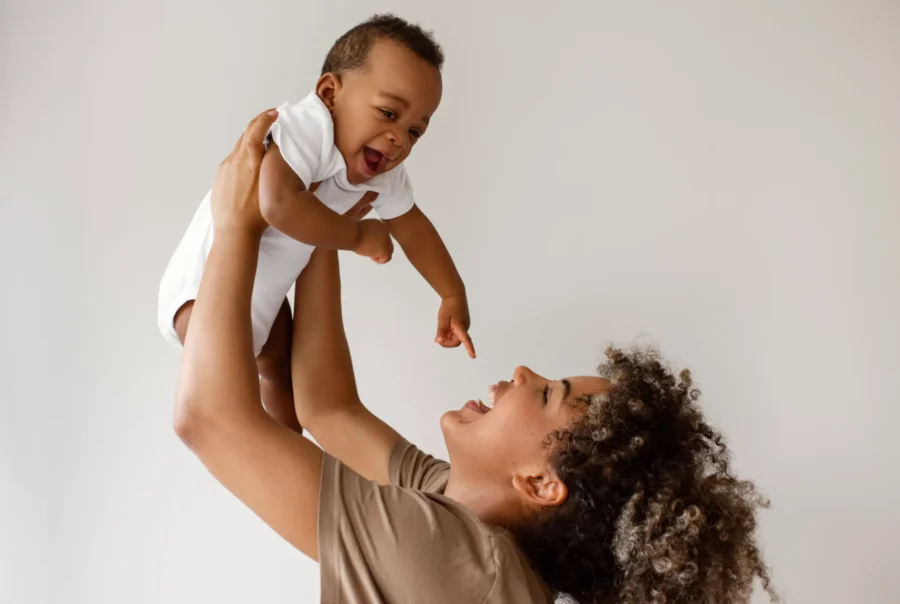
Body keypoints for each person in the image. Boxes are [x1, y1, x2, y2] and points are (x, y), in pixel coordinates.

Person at [173, 110, 778, 603]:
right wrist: (326, 221)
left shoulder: (462, 563)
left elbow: (209, 419)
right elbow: (329, 410)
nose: (522, 372)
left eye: (547, 393)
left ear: (540, 482)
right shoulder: (474, 516)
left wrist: (236, 226)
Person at [159, 14, 473, 434]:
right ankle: (257, 447)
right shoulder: (307, 128)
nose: (399, 137)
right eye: (387, 112)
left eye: (415, 130)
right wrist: (358, 235)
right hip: (202, 294)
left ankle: (288, 446)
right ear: (329, 93)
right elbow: (278, 203)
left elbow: (413, 226)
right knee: (230, 404)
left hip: (264, 305)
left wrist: (451, 291)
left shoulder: (383, 175)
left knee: (284, 375)